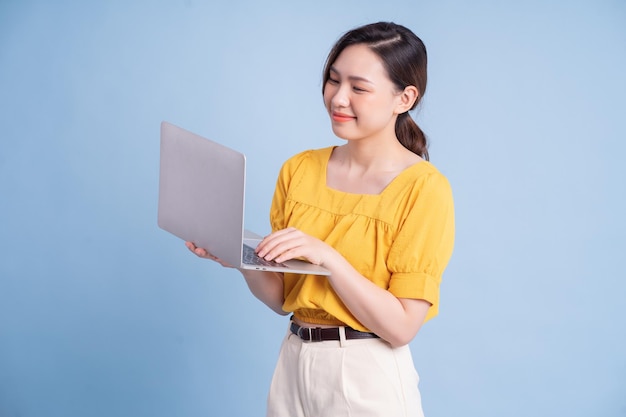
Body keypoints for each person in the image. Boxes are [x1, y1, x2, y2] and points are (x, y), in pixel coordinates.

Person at [186, 21, 455, 417]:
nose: (338, 98)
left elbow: (401, 327)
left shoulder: (423, 188)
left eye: (359, 88)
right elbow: (282, 299)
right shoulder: (299, 169)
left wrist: (327, 257)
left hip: (366, 373)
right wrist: (240, 261)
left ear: (405, 98)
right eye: (333, 80)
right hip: (294, 361)